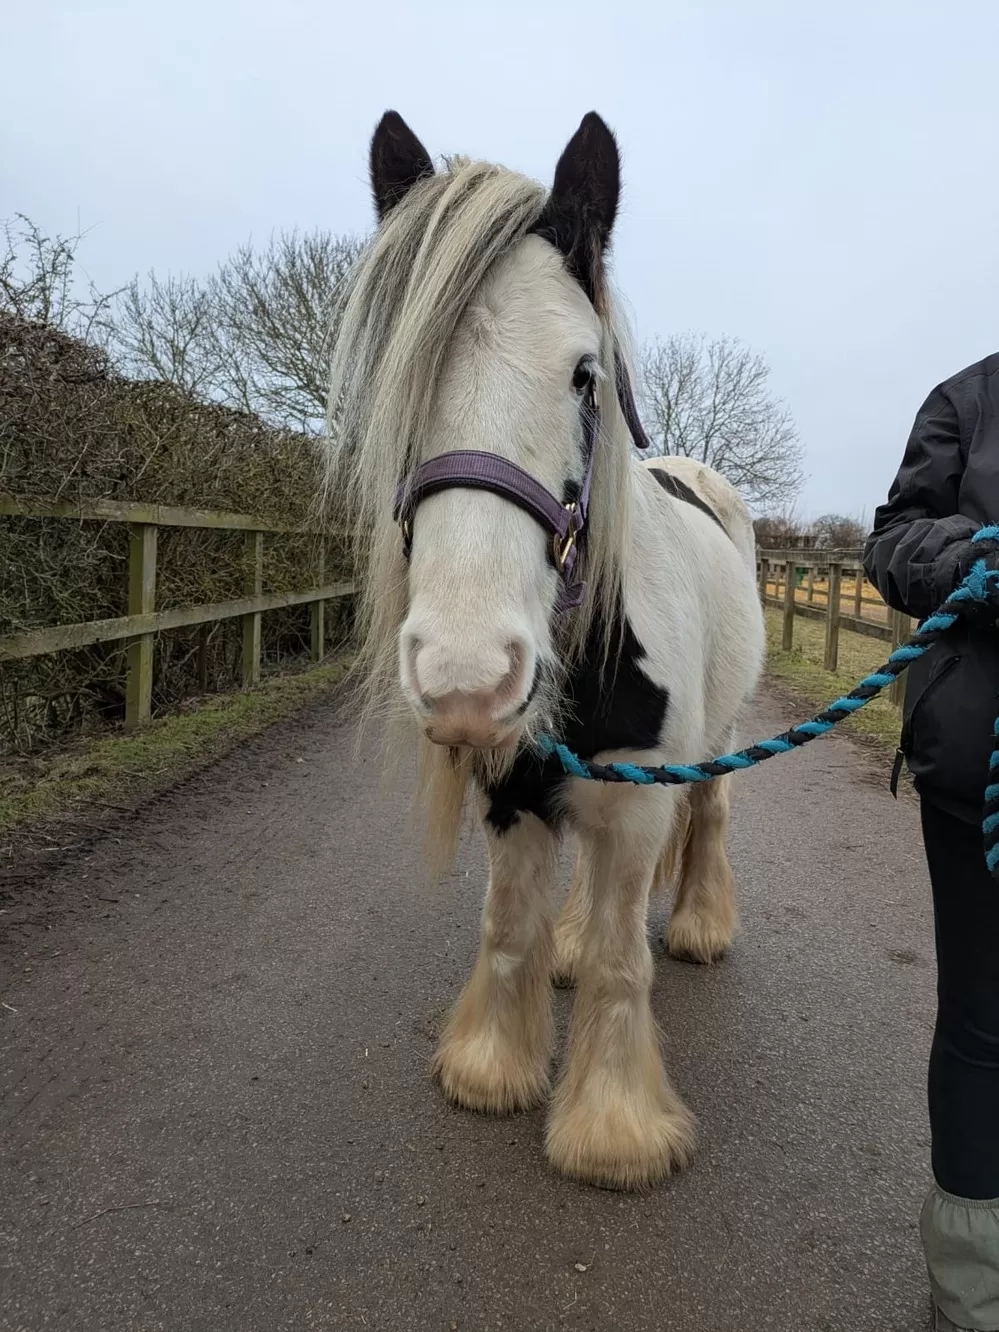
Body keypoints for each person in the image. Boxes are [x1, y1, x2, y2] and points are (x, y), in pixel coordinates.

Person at [864, 353, 999, 1332]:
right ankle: (974, 1289)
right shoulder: (970, 400)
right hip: (978, 769)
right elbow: (894, 543)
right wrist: (972, 560)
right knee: (983, 1029)